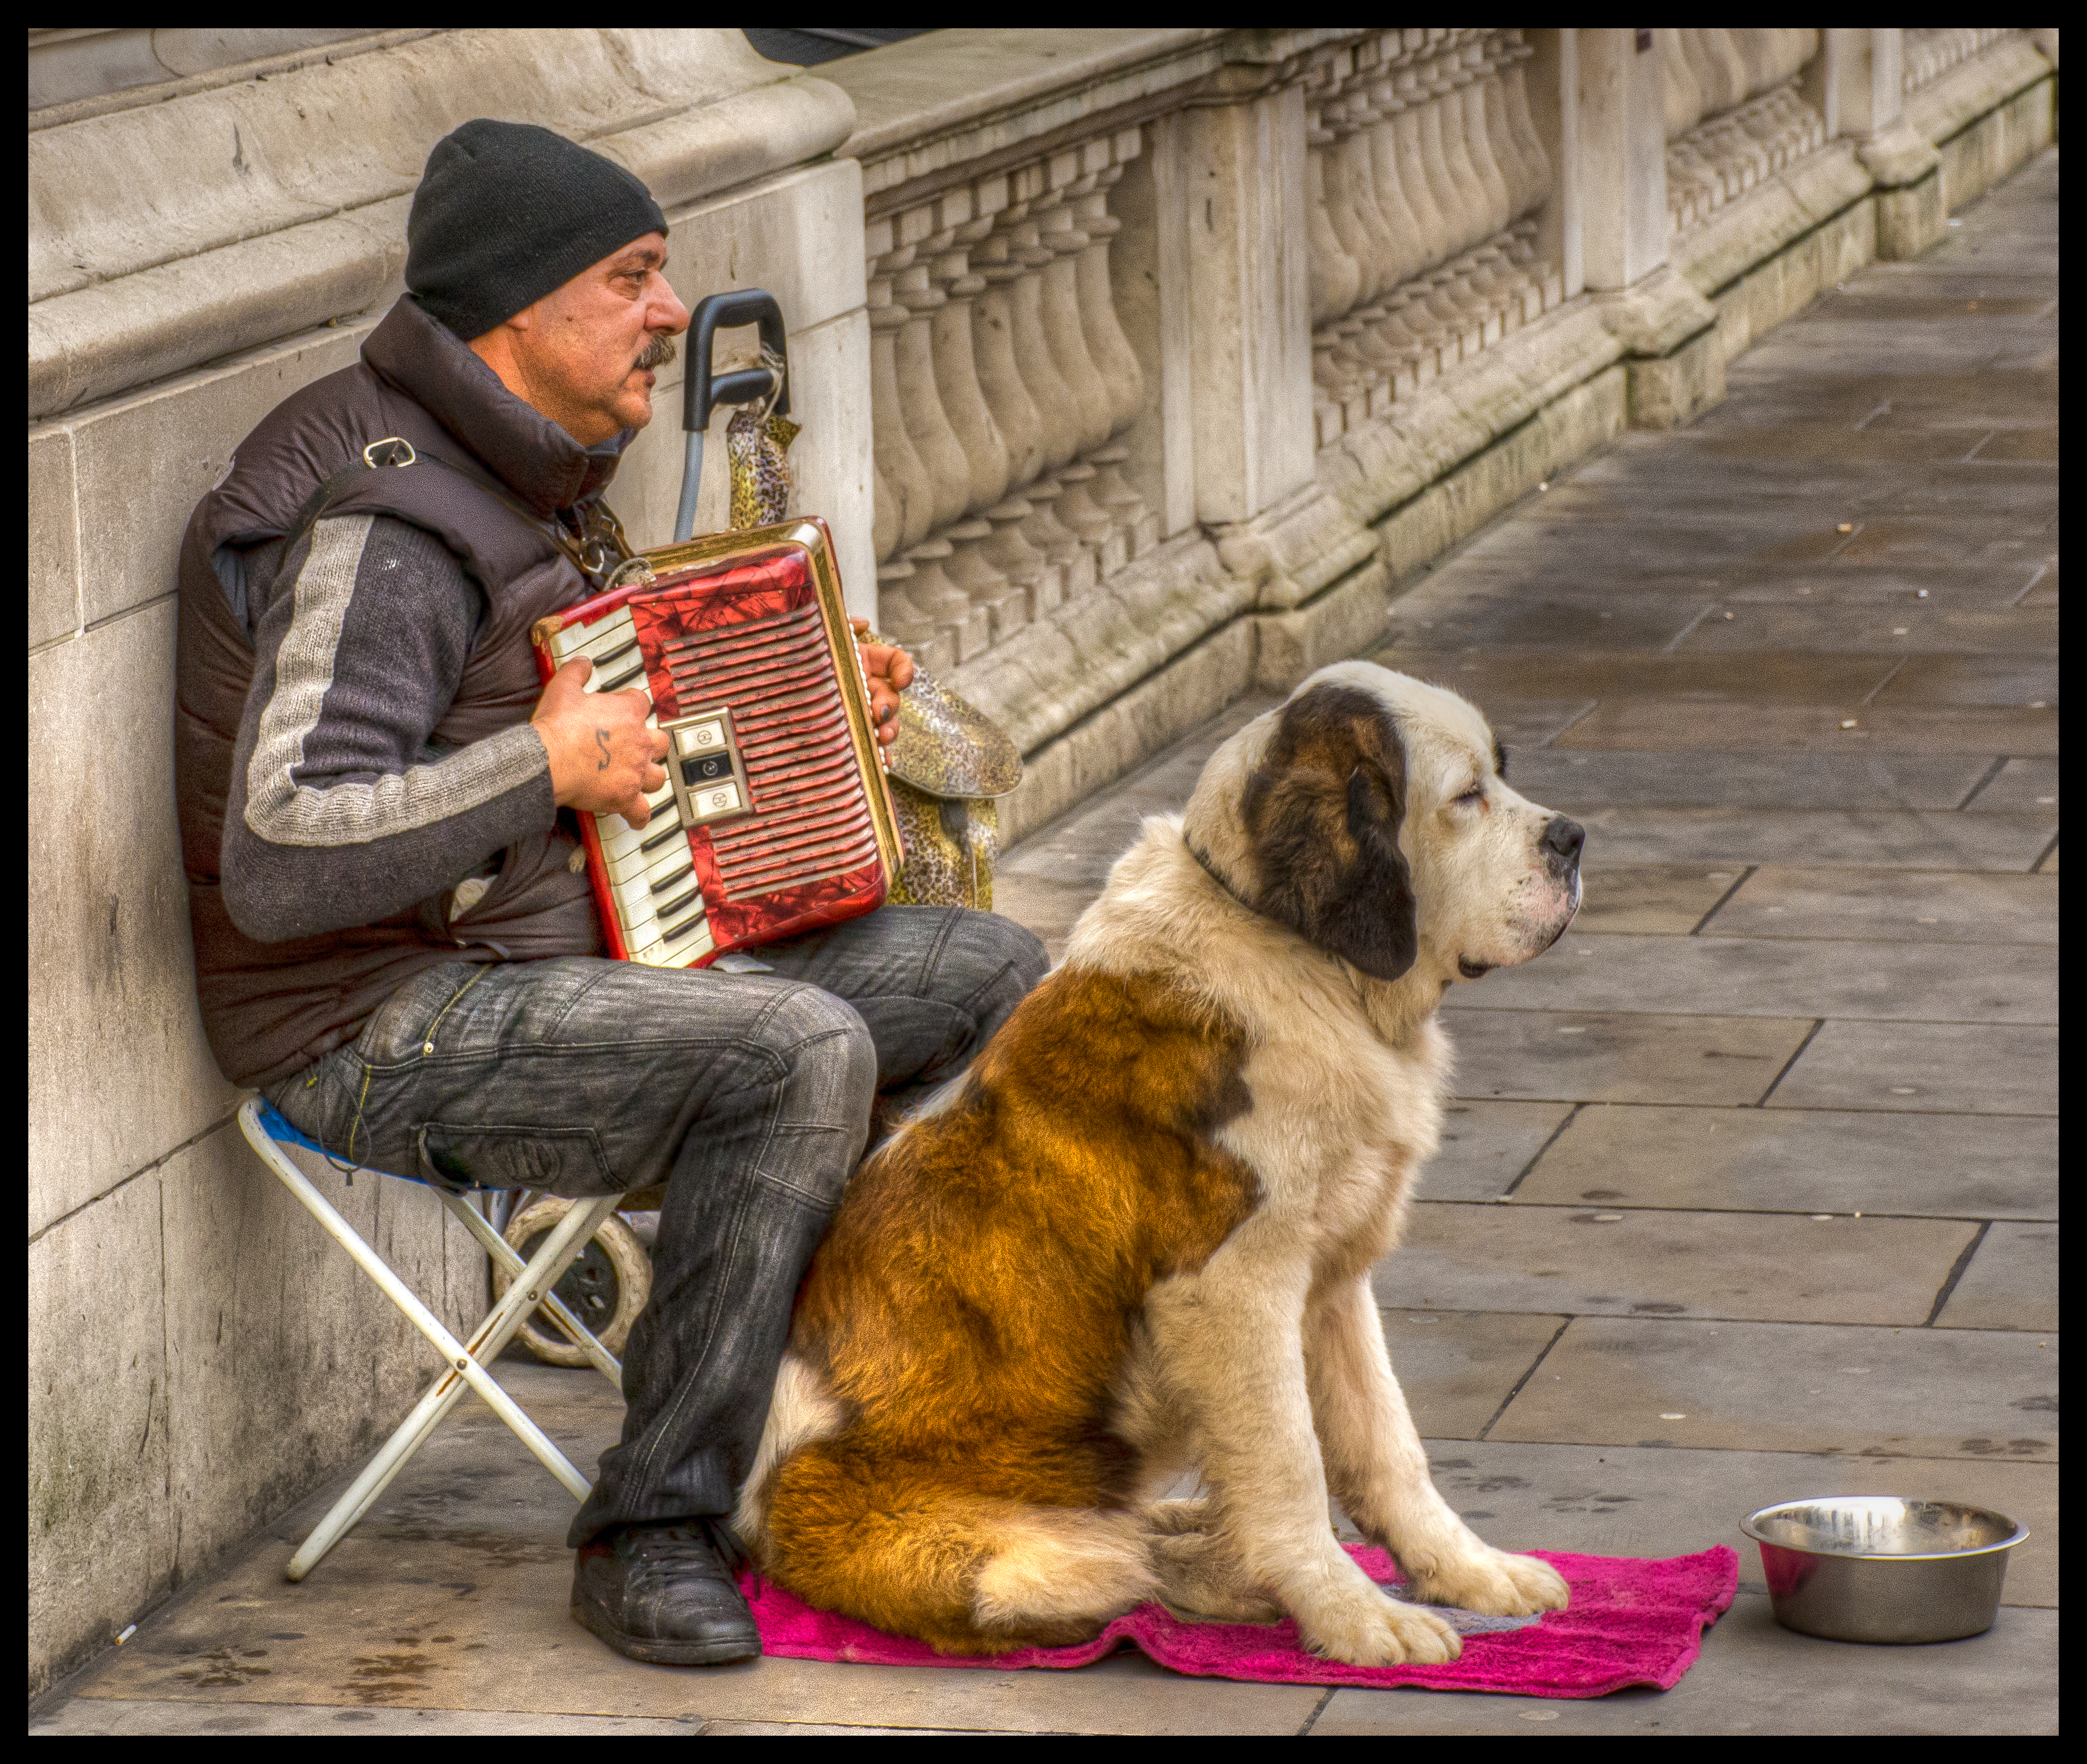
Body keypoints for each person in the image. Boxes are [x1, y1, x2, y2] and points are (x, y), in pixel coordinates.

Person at [173, 118, 1047, 1667]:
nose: (668, 309)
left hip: (544, 954)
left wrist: (824, 703)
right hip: (374, 1020)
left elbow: (633, 722)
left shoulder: (526, 468)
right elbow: (284, 843)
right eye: (633, 277)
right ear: (520, 310)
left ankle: (803, 1374)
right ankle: (653, 1522)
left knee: (987, 970)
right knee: (792, 1052)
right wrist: (540, 765)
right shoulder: (387, 522)